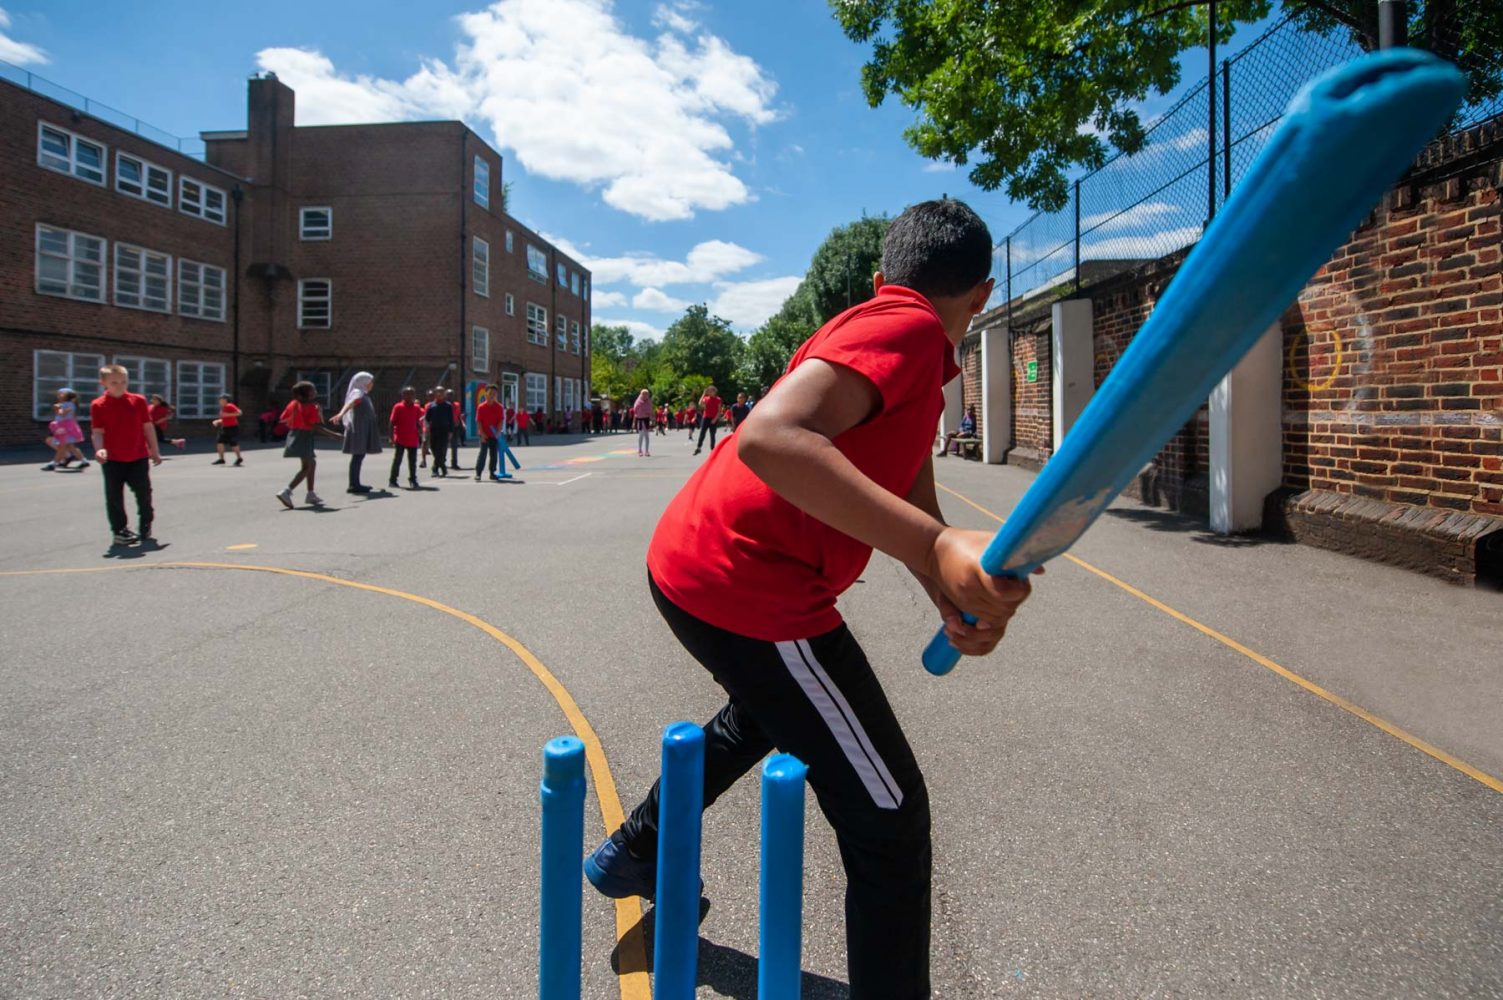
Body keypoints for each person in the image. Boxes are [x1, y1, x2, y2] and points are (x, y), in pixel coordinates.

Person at [583, 200, 1036, 999]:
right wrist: (934, 551)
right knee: (889, 816)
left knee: (766, 710)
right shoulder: (907, 331)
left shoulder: (890, 344)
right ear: (982, 297)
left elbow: (911, 496)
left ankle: (638, 850)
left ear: (878, 276)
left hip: (690, 563)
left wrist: (945, 589)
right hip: (750, 584)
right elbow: (769, 437)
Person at [90, 364, 161, 545]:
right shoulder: (98, 405)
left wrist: (154, 450)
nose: (120, 385)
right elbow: (97, 431)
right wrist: (99, 449)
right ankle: (120, 530)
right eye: (114, 382)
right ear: (103, 383)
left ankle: (146, 523)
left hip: (137, 456)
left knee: (144, 493)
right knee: (114, 496)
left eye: (123, 381)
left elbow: (148, 427)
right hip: (113, 459)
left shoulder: (138, 401)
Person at [276, 380, 340, 508]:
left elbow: (283, 417)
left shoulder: (293, 403)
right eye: (313, 390)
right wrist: (333, 435)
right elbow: (315, 426)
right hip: (304, 436)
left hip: (294, 434)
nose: (315, 392)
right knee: (307, 467)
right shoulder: (311, 406)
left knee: (311, 463)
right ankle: (286, 491)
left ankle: (310, 493)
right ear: (306, 394)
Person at [329, 371, 382, 494]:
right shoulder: (358, 393)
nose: (372, 384)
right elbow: (352, 402)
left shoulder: (363, 393)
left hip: (363, 427)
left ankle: (355, 483)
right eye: (370, 382)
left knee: (359, 456)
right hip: (359, 428)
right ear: (363, 382)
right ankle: (354, 484)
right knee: (358, 456)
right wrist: (341, 414)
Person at [41, 388, 89, 471]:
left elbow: (63, 414)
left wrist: (57, 408)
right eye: (58, 394)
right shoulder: (64, 404)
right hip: (63, 427)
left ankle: (53, 464)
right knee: (70, 446)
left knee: (62, 446)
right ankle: (84, 461)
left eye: (61, 394)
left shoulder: (69, 404)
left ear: (68, 395)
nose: (58, 396)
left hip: (66, 428)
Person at [388, 386, 424, 489]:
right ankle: (393, 480)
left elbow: (418, 422)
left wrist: (421, 432)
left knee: (412, 461)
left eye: (411, 394)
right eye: (407, 394)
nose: (409, 396)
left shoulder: (417, 408)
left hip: (413, 438)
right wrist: (391, 437)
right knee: (397, 460)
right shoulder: (398, 407)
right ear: (403, 395)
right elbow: (391, 423)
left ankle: (413, 480)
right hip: (400, 438)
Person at [474, 384, 505, 481]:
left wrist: (498, 432)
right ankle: (478, 473)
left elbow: (500, 420)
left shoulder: (499, 407)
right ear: (486, 394)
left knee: (493, 454)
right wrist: (482, 434)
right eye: (490, 393)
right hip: (484, 434)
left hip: (494, 434)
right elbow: (479, 421)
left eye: (494, 394)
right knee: (483, 453)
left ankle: (492, 472)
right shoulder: (481, 407)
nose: (492, 396)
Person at [424, 386, 456, 477]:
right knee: (434, 449)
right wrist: (426, 429)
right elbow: (427, 419)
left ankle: (435, 469)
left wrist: (451, 431)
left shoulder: (448, 405)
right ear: (435, 393)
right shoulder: (431, 406)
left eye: (441, 392)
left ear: (444, 394)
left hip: (444, 431)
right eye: (437, 392)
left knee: (440, 450)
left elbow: (451, 419)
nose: (439, 394)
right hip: (434, 431)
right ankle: (443, 467)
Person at [211, 395, 244, 466]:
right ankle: (221, 459)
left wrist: (227, 414)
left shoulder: (229, 405)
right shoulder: (224, 407)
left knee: (233, 443)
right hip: (225, 427)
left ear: (225, 400)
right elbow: (226, 418)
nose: (219, 401)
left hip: (232, 428)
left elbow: (239, 413)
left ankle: (239, 458)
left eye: (221, 399)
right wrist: (218, 421)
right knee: (220, 442)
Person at [693, 385, 723, 455]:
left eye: (711, 391)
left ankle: (713, 449)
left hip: (713, 419)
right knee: (702, 433)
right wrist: (703, 394)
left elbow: (719, 411)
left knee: (712, 434)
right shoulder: (706, 398)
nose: (709, 392)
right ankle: (699, 447)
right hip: (706, 418)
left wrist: (715, 419)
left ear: (714, 392)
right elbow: (700, 403)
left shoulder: (718, 399)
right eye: (708, 391)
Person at [631, 388, 654, 457]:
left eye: (646, 394)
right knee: (641, 435)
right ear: (641, 394)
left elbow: (650, 411)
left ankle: (646, 451)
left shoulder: (649, 402)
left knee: (647, 436)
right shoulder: (638, 402)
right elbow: (635, 412)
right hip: (640, 419)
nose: (645, 395)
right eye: (643, 394)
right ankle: (640, 450)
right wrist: (633, 422)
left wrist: (652, 420)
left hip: (646, 419)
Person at [420, 388, 436, 469]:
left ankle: (436, 461)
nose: (431, 397)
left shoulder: (437, 405)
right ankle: (423, 460)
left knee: (434, 446)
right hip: (426, 427)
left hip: (435, 428)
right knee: (424, 443)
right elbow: (426, 416)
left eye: (432, 396)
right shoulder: (426, 406)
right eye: (429, 396)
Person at [449, 392, 464, 470]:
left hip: (455, 427)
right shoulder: (445, 405)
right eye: (448, 395)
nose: (450, 397)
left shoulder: (457, 405)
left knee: (454, 446)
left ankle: (454, 463)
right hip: (446, 428)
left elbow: (459, 415)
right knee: (442, 447)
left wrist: (462, 424)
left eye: (451, 395)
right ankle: (440, 462)